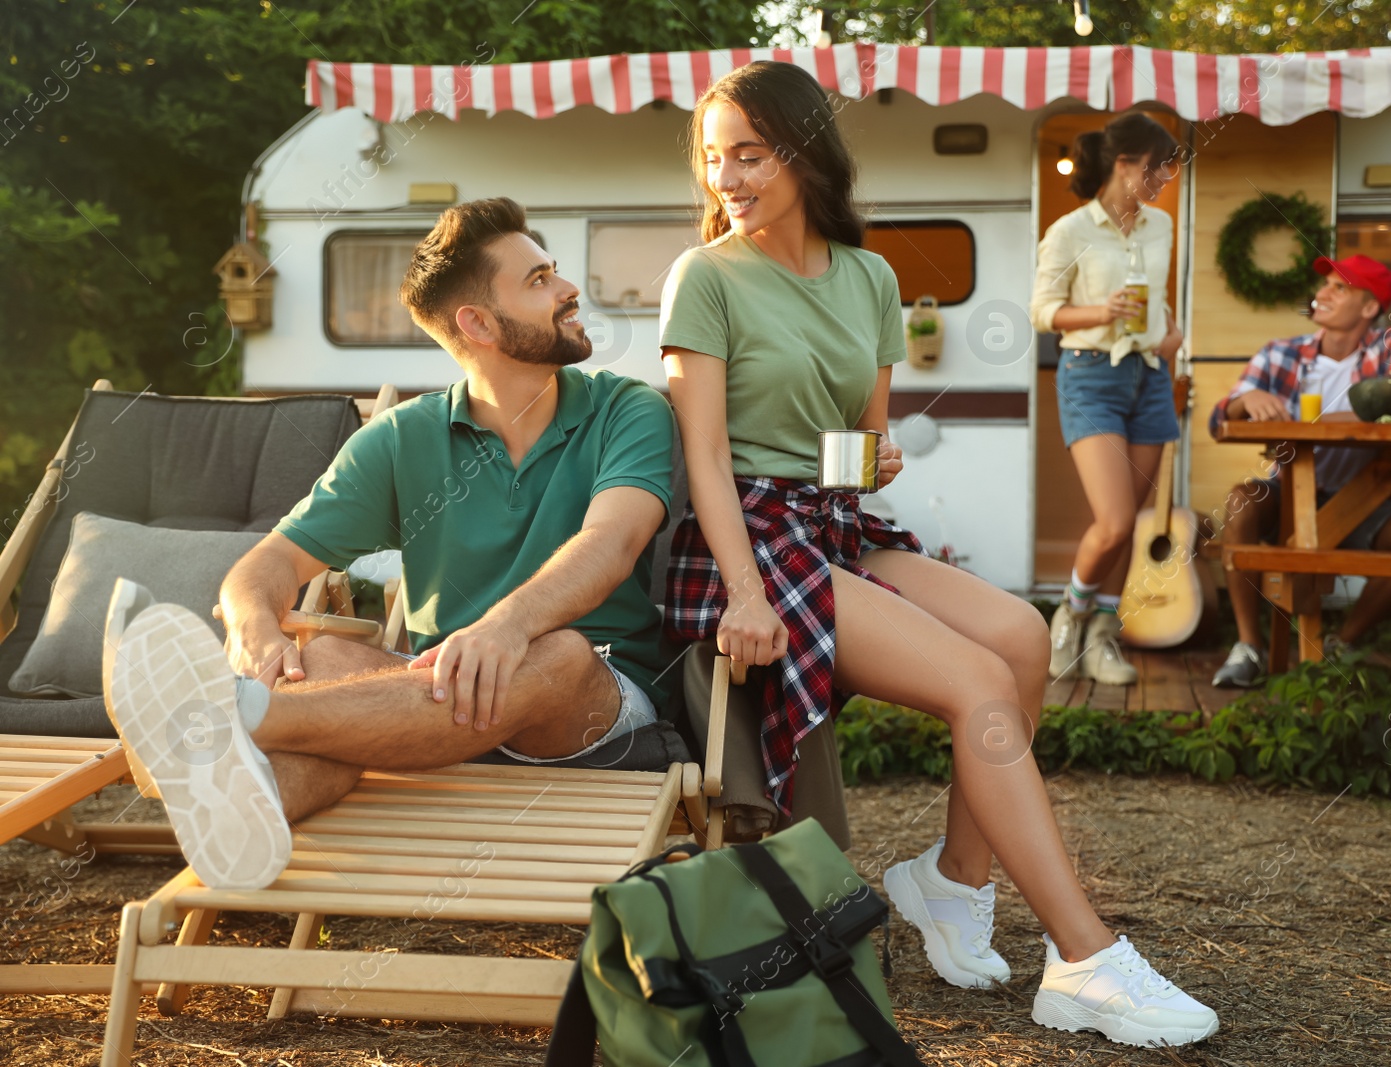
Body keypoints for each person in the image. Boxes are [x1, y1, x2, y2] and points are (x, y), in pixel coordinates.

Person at [659, 62, 1217, 1048]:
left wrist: (879, 450)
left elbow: (867, 440)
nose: (727, 177)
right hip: (737, 541)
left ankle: (951, 881)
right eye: (714, 158)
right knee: (975, 680)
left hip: (829, 520)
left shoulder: (867, 275)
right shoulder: (704, 277)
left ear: (801, 149)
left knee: (1021, 637)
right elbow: (701, 451)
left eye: (747, 152)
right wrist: (745, 589)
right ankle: (1084, 957)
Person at [103, 197, 676, 891]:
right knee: (325, 658)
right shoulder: (405, 436)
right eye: (538, 280)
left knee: (557, 654)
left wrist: (503, 629)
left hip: (590, 710)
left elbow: (611, 544)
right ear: (478, 323)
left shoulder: (625, 409)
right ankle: (246, 821)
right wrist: (256, 634)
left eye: (552, 273)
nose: (567, 289)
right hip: (429, 710)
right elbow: (269, 563)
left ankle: (230, 717)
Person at [1210, 255, 1391, 688]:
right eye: (1325, 285)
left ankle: (1342, 644)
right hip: (1290, 492)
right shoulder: (1281, 352)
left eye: (1339, 288)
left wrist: (1317, 425)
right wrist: (1247, 399)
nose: (1323, 293)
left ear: (1369, 308)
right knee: (1240, 502)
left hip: (1366, 496)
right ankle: (1248, 647)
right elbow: (1219, 419)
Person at [1030, 112, 1186, 686]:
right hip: (1090, 372)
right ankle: (1068, 615)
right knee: (1115, 519)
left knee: (1136, 520)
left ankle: (1102, 634)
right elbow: (1043, 312)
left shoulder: (1161, 227)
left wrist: (1170, 335)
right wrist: (1104, 312)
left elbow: (1160, 301)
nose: (1161, 183)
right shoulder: (1071, 230)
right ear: (1124, 165)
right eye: (1155, 172)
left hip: (1148, 374)